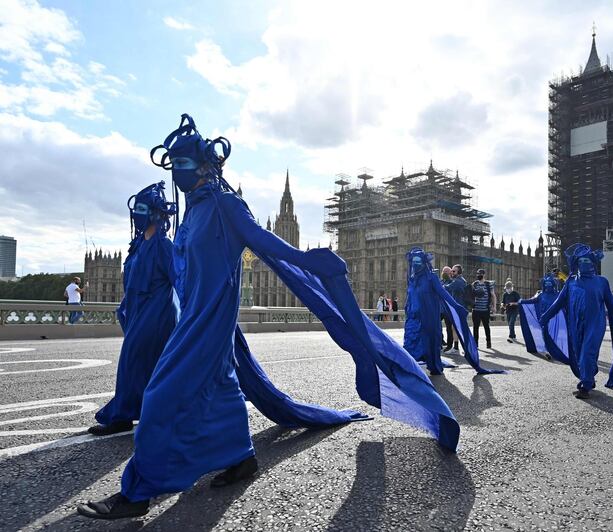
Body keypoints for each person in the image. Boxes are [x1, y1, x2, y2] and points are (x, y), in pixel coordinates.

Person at [77, 114, 459, 520]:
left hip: (210, 320)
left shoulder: (225, 205)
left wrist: (308, 260)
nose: (179, 173)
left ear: (205, 166)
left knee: (161, 394)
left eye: (184, 164)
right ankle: (241, 456)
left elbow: (266, 243)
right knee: (223, 387)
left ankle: (137, 492)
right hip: (195, 317)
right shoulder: (192, 214)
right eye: (175, 166)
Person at [88, 182, 179, 436]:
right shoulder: (137, 246)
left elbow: (180, 281)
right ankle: (152, 413)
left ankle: (123, 415)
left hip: (158, 313)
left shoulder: (164, 245)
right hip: (136, 312)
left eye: (143, 208)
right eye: (136, 208)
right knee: (148, 365)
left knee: (131, 361)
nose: (138, 213)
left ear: (155, 212)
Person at [540, 244, 613, 399]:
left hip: (595, 325)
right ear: (576, 263)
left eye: (588, 261)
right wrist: (546, 316)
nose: (585, 264)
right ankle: (588, 377)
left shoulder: (602, 282)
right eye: (581, 261)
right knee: (580, 353)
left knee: (587, 352)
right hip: (576, 325)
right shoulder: (571, 282)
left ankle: (585, 385)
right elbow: (559, 302)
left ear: (593, 263)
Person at [403, 248, 502, 375]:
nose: (415, 265)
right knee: (411, 340)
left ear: (423, 262)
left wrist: (456, 306)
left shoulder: (431, 277)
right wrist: (407, 307)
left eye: (418, 262)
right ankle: (410, 364)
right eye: (413, 262)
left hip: (428, 316)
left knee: (428, 340)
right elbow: (410, 295)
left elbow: (443, 292)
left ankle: (430, 363)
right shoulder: (412, 279)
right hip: (413, 316)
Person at [519, 273, 560, 358]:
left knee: (554, 335)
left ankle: (555, 350)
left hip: (555, 318)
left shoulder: (557, 295)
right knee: (545, 334)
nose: (548, 286)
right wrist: (522, 301)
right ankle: (547, 350)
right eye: (546, 284)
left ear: (553, 284)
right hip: (544, 318)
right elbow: (533, 300)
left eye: (549, 284)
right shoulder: (541, 295)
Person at [471, 268, 495, 349]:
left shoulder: (488, 284)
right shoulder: (474, 284)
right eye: (477, 274)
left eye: (480, 274)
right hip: (476, 310)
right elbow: (471, 295)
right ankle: (475, 344)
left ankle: (488, 342)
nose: (478, 275)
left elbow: (493, 295)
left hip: (485, 310)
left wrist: (494, 306)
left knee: (486, 327)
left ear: (484, 274)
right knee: (475, 327)